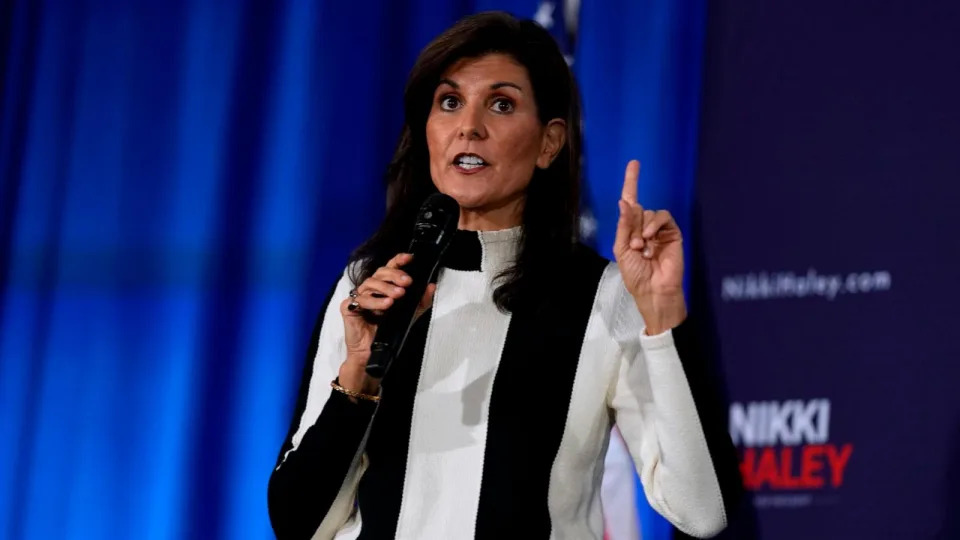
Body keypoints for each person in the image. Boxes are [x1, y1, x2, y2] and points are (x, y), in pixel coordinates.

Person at [268, 11, 739, 540]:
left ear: (548, 143)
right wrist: (359, 373)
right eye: (449, 102)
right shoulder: (369, 282)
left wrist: (661, 316)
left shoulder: (603, 296)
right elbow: (300, 524)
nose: (469, 126)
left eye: (501, 104)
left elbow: (701, 512)